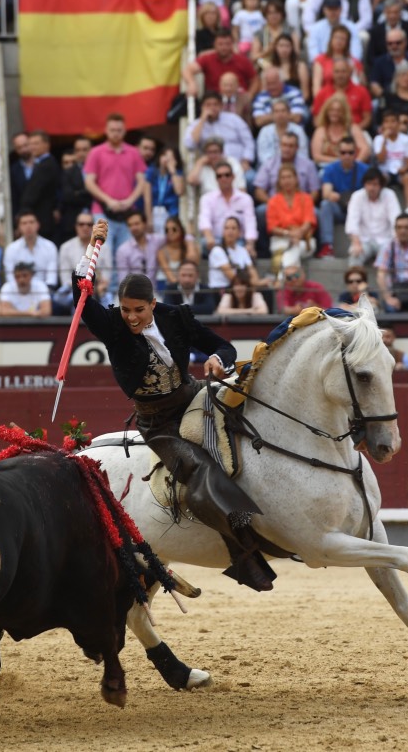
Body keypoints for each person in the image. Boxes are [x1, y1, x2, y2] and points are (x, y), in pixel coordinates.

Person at [73, 218, 277, 592]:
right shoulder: (114, 327)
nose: (131, 318)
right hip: (158, 423)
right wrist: (92, 247)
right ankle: (243, 553)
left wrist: (219, 359)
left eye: (139, 310)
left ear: (153, 304)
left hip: (195, 395)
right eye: (125, 310)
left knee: (252, 415)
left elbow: (223, 345)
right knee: (198, 471)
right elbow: (81, 294)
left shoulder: (175, 316)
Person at [83, 113, 149, 269]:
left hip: (128, 212)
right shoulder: (96, 152)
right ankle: (108, 291)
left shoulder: (134, 152)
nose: (116, 133)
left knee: (126, 254)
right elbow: (89, 182)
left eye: (119, 130)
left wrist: (130, 201)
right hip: (102, 210)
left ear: (124, 130)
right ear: (106, 130)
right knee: (103, 252)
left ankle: (122, 289)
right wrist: (108, 200)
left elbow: (142, 181)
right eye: (112, 129)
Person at [344, 168, 400, 267]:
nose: (371, 188)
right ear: (364, 184)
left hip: (385, 240)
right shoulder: (357, 196)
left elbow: (396, 221)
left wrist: (395, 244)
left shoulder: (389, 195)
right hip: (363, 240)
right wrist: (356, 242)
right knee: (354, 255)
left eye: (375, 184)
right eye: (369, 184)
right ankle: (356, 282)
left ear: (381, 186)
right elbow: (352, 222)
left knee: (392, 257)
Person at [276, 250, 332, 314]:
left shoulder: (316, 287)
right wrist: (295, 310)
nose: (294, 279)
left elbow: (329, 309)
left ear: (303, 275)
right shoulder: (283, 290)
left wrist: (315, 307)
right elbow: (283, 309)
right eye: (289, 278)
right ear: (285, 280)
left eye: (296, 275)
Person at [115, 210, 161, 286]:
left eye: (137, 224)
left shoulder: (156, 240)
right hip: (132, 293)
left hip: (153, 293)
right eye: (130, 225)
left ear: (145, 224)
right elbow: (123, 280)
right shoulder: (123, 250)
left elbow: (177, 237)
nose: (134, 228)